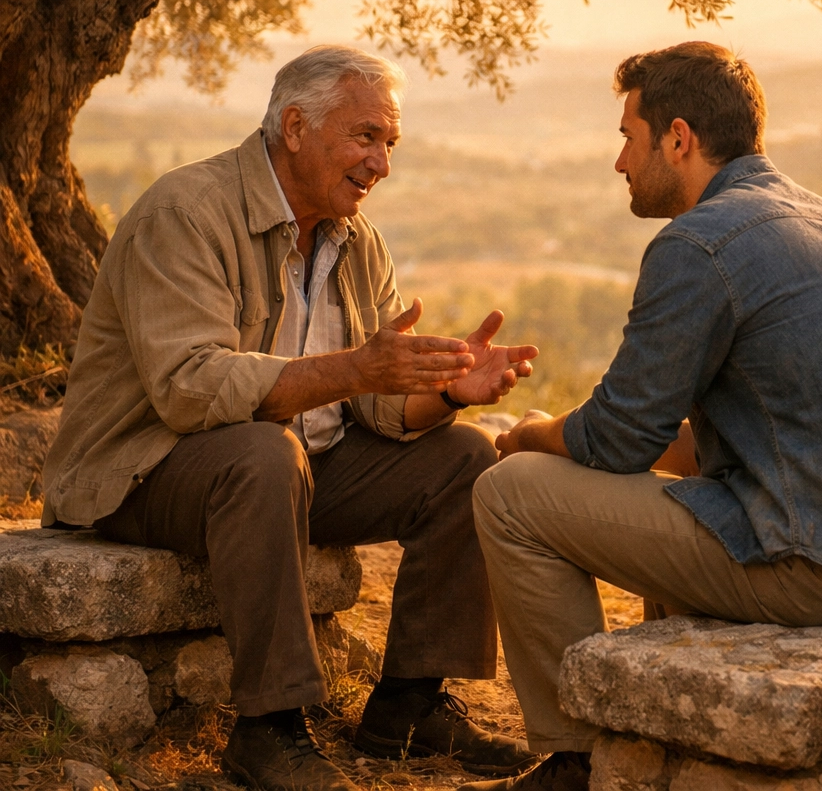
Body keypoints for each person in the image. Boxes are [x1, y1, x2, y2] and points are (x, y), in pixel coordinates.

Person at [466, 42, 822, 791]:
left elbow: (615, 440)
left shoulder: (699, 244)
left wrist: (526, 437)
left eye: (627, 137)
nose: (619, 161)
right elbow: (735, 440)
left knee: (510, 494)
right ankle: (658, 735)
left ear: (678, 138)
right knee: (608, 475)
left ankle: (578, 761)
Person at [42, 46, 540, 791]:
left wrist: (450, 393)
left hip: (296, 471)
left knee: (468, 458)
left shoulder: (355, 239)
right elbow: (187, 388)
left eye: (390, 144)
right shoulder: (187, 211)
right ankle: (270, 727)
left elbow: (373, 402)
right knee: (263, 453)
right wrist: (354, 369)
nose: (381, 164)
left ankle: (408, 703)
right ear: (297, 126)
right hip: (148, 468)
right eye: (366, 137)